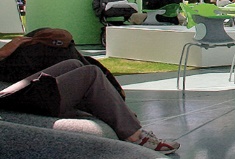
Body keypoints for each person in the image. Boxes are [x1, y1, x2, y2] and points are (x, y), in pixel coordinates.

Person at [0, 59, 180, 154]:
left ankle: (113, 110)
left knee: (74, 63)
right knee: (90, 74)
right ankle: (134, 135)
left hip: (5, 93)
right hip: (8, 101)